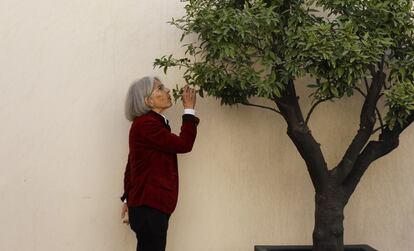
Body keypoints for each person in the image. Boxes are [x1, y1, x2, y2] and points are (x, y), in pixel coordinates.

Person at [120, 76, 199, 251]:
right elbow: (184, 144)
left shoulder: (148, 124)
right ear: (147, 100)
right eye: (160, 88)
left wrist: (129, 197)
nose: (168, 91)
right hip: (149, 207)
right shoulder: (147, 124)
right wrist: (189, 110)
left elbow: (131, 165)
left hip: (147, 206)